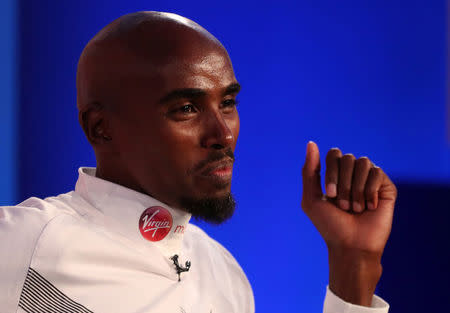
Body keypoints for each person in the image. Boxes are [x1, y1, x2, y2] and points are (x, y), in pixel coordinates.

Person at [0, 11, 397, 313]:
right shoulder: (21, 243)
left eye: (227, 103)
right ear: (101, 127)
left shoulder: (224, 274)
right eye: (187, 108)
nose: (223, 134)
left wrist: (353, 267)